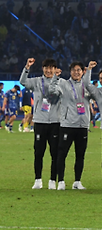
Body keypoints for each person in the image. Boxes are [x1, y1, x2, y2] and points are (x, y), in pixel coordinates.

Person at [49, 61, 95, 190]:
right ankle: (61, 181)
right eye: (74, 70)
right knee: (62, 154)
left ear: (83, 72)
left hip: (82, 126)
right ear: (70, 72)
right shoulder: (63, 83)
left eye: (79, 70)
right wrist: (55, 78)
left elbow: (96, 95)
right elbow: (52, 92)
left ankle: (77, 182)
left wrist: (90, 71)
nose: (76, 72)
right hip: (67, 125)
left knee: (80, 155)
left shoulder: (87, 86)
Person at [20, 58, 61, 190]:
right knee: (39, 152)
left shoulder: (61, 82)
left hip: (55, 122)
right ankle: (38, 180)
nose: (49, 70)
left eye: (51, 68)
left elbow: (56, 93)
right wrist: (27, 67)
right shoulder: (36, 81)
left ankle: (52, 180)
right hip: (40, 121)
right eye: (46, 68)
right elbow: (22, 81)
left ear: (55, 69)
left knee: (54, 153)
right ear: (43, 69)